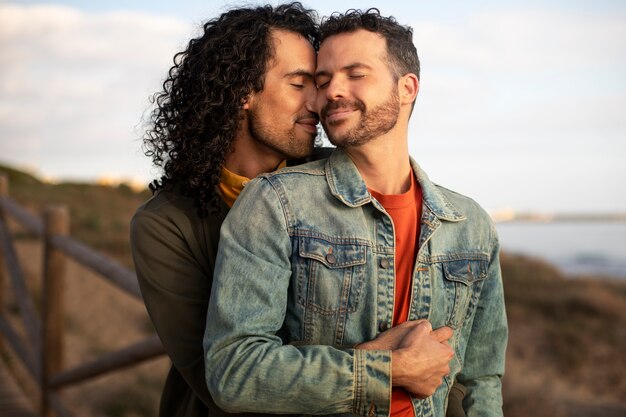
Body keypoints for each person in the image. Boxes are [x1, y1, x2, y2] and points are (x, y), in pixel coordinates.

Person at [204, 8, 508, 417]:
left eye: (355, 74)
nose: (330, 92)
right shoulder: (275, 203)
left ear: (407, 88)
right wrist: (388, 370)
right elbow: (234, 371)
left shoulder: (470, 224)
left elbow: (482, 380)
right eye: (323, 79)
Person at [129, 4, 323, 417]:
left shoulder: (336, 179)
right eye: (298, 84)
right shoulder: (164, 226)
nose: (317, 103)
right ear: (241, 93)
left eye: (318, 84)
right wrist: (377, 368)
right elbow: (224, 381)